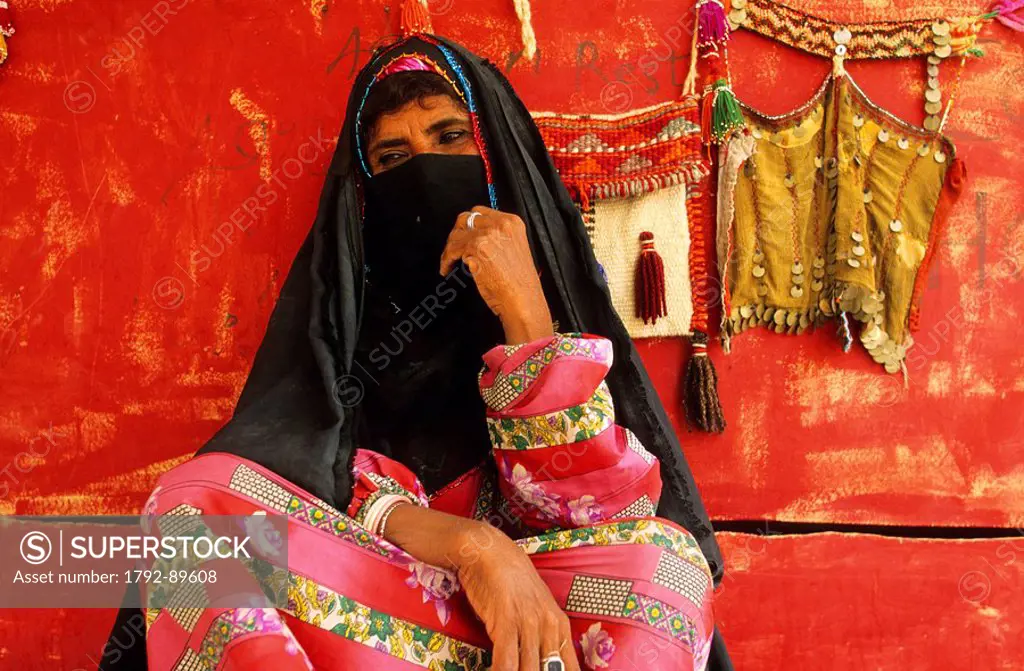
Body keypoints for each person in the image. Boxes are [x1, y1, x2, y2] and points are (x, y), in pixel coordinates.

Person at [101, 35, 731, 671]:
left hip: (537, 622)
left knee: (665, 566)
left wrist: (526, 315)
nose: (425, 171)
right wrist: (473, 547)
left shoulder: (550, 296)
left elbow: (593, 516)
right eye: (393, 155)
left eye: (451, 137)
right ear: (367, 189)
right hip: (384, 610)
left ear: (496, 156)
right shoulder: (343, 320)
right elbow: (307, 476)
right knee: (189, 511)